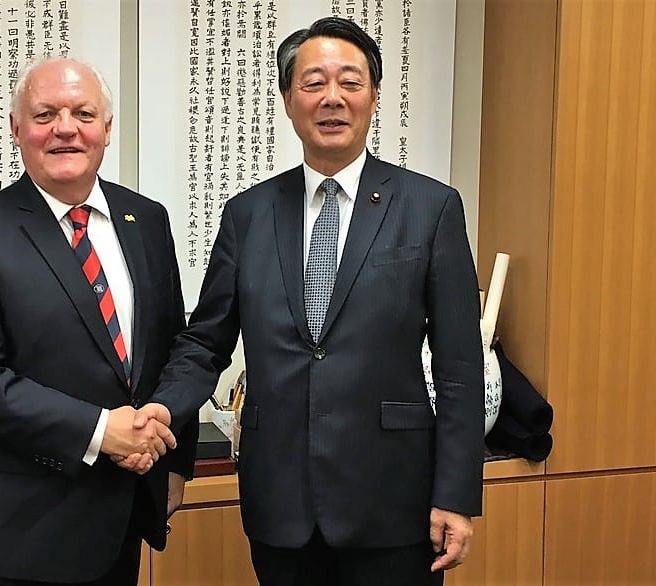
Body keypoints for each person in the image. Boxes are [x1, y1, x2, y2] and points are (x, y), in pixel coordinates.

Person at [136, 16, 484, 586]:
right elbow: (205, 340)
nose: (332, 98)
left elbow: (460, 369)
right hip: (281, 502)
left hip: (395, 503)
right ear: (288, 100)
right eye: (313, 82)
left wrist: (456, 495)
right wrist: (165, 408)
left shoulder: (430, 207)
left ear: (373, 96)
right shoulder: (247, 214)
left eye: (350, 82)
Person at [0, 56, 197, 586]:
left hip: (121, 517)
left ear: (106, 129)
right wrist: (103, 431)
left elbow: (174, 347)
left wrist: (173, 460)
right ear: (16, 129)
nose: (65, 129)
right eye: (45, 114)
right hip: (16, 535)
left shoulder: (147, 221)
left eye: (83, 113)